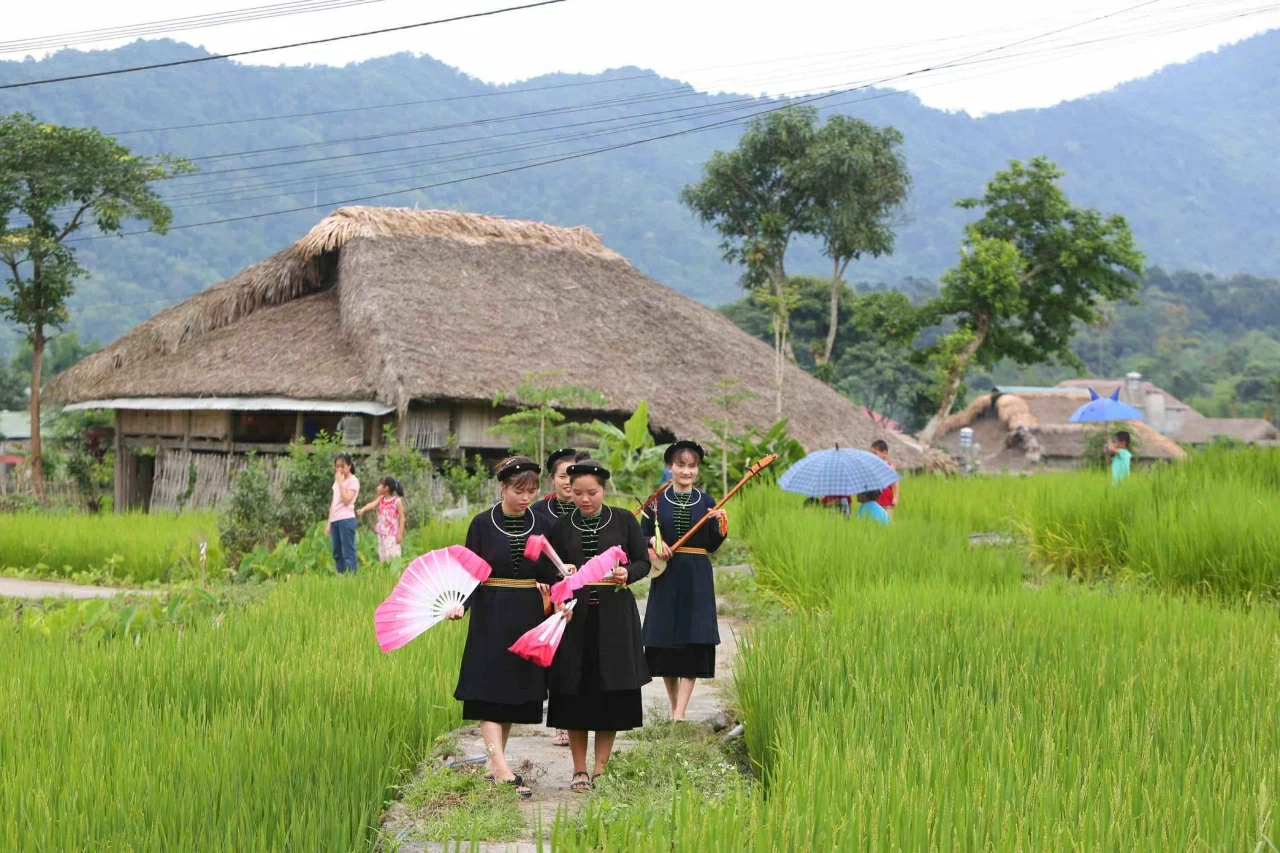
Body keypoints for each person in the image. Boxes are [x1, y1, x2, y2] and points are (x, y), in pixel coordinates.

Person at [443, 457, 558, 799]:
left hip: (526, 613)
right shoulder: (481, 524)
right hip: (490, 611)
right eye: (519, 491)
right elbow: (469, 571)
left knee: (510, 693)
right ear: (502, 487)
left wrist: (561, 577)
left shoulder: (541, 524)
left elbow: (549, 572)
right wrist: (460, 603)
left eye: (532, 491)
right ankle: (502, 769)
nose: (526, 498)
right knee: (488, 690)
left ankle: (496, 765)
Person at [545, 459, 651, 792]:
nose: (584, 499)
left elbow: (643, 561)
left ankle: (601, 768)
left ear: (604, 489)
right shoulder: (561, 528)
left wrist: (627, 573)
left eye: (591, 492)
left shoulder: (623, 520)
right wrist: (562, 579)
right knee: (573, 692)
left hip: (615, 616)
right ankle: (578, 770)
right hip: (575, 619)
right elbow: (546, 569)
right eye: (577, 493)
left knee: (611, 694)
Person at [641, 440, 727, 721]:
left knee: (694, 636)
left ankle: (680, 713)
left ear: (697, 469)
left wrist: (721, 525)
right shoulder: (655, 502)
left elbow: (712, 544)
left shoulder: (707, 502)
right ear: (670, 467)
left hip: (697, 575)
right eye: (680, 465)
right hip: (667, 574)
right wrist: (654, 540)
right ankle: (673, 703)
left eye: (692, 466)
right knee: (666, 638)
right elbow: (639, 538)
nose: (686, 471)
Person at [531, 447, 591, 749]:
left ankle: (580, 718)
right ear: (553, 478)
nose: (569, 481)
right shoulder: (540, 513)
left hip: (584, 591)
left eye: (574, 474)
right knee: (557, 657)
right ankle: (562, 722)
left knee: (580, 656)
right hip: (551, 594)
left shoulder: (589, 509)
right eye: (563, 475)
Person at [325, 453, 360, 574]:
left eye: (342, 466)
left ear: (349, 466)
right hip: (335, 519)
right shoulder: (337, 481)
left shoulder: (353, 481)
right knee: (337, 552)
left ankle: (351, 578)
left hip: (346, 519)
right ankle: (341, 576)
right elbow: (334, 502)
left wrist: (340, 483)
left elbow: (347, 500)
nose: (339, 469)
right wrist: (329, 523)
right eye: (337, 466)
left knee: (348, 552)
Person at [357, 477, 406, 563]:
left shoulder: (396, 501)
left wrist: (400, 534)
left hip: (391, 535)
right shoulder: (381, 498)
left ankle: (394, 575)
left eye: (380, 485)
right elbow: (372, 504)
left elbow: (402, 518)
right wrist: (363, 509)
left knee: (392, 557)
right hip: (382, 533)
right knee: (382, 556)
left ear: (386, 488)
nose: (378, 487)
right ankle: (384, 574)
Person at [870, 439, 898, 517]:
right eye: (871, 454)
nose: (873, 456)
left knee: (887, 521)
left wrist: (895, 497)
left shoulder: (890, 467)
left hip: (887, 500)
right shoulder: (872, 467)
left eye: (875, 453)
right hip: (875, 501)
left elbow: (895, 483)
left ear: (884, 453)